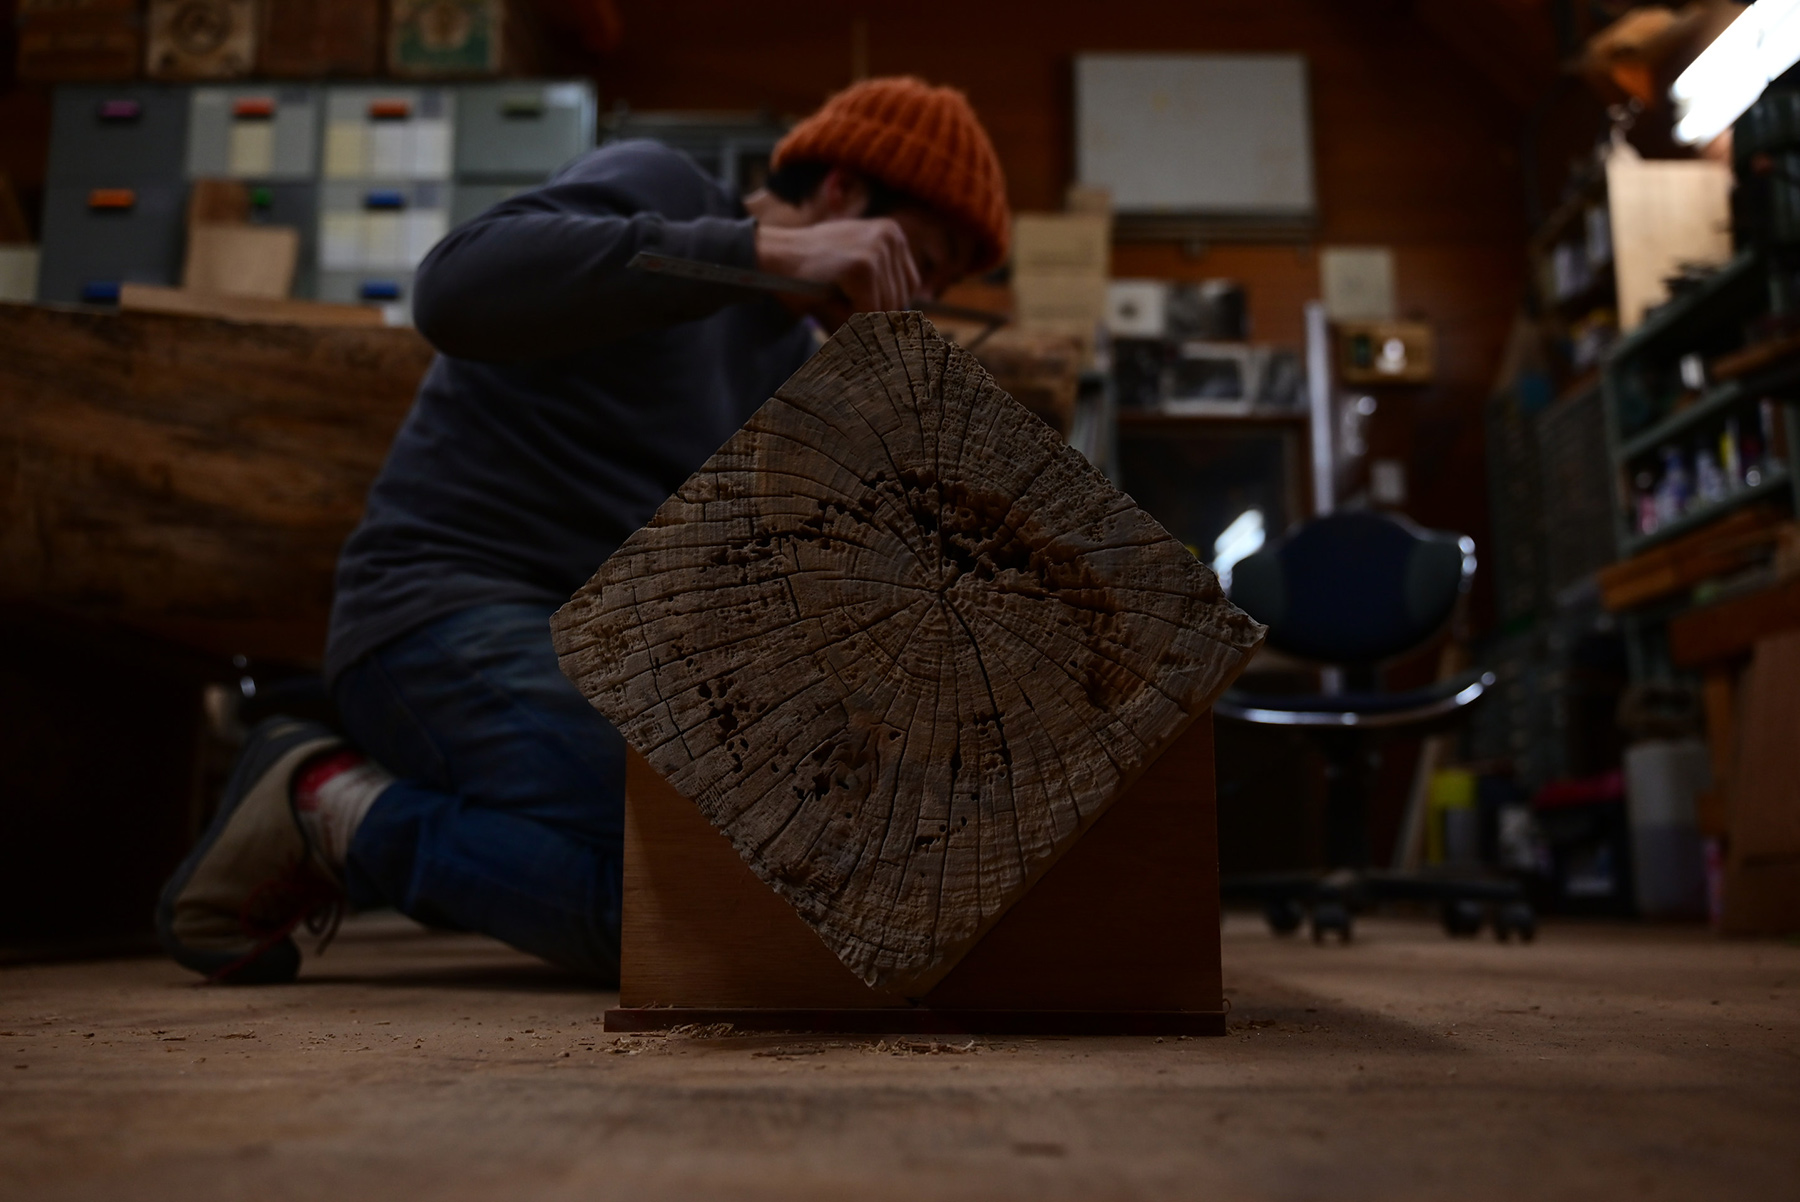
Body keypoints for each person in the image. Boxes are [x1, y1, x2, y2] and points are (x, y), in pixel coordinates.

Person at [156, 77, 1011, 984]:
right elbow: (452, 289)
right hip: (440, 618)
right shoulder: (665, 189)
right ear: (841, 190)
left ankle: (363, 812)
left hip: (596, 656)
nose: (913, 294)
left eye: (935, 285)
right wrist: (760, 251)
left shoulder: (792, 368)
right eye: (915, 257)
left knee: (735, 898)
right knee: (698, 876)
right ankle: (328, 811)